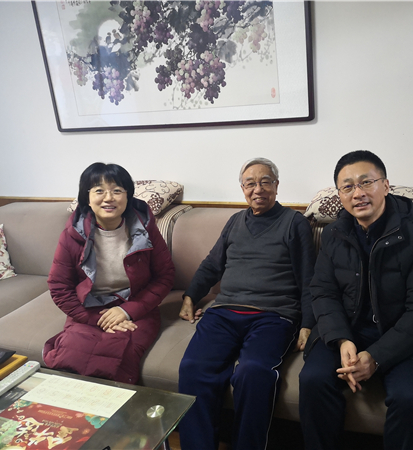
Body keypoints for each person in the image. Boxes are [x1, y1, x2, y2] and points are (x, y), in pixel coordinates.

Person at [299, 150, 413, 450]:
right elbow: (323, 292)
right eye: (348, 187)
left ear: (386, 185)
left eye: (366, 182)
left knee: (411, 399)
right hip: (348, 330)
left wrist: (376, 356)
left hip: (403, 337)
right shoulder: (333, 234)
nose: (358, 193)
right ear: (340, 195)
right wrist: (342, 339)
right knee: (313, 380)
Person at [177, 157, 316, 450]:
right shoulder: (235, 221)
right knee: (193, 367)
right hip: (224, 312)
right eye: (250, 183)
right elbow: (212, 264)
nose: (258, 189)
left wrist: (307, 324)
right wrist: (190, 296)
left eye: (265, 182)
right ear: (242, 189)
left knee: (253, 372)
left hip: (274, 316)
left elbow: (308, 277)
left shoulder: (295, 223)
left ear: (276, 186)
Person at [43, 163, 175, 384]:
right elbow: (59, 286)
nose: (108, 198)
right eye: (99, 191)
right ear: (86, 197)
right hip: (88, 308)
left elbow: (165, 276)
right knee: (70, 358)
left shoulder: (145, 229)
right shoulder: (72, 234)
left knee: (119, 362)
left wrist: (126, 311)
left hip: (136, 306)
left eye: (117, 190)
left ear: (128, 196)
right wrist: (97, 319)